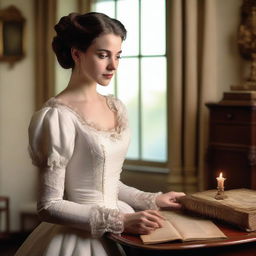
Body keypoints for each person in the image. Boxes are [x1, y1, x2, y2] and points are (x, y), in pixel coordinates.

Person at [15, 12, 185, 256]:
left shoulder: (115, 107)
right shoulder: (57, 116)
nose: (113, 65)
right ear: (77, 53)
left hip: (120, 224)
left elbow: (107, 183)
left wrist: (153, 200)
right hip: (79, 239)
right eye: (103, 55)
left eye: (117, 56)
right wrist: (121, 222)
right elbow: (48, 206)